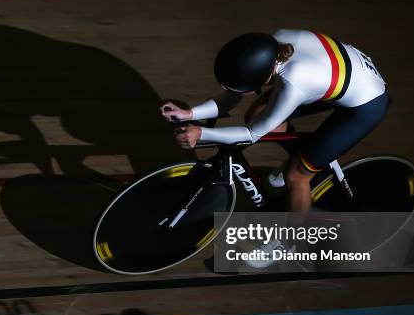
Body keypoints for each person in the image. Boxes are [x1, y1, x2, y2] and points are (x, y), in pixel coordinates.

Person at [160, 29, 388, 215]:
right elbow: (235, 92)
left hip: (366, 104)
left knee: (296, 175)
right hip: (338, 77)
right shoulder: (272, 46)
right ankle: (305, 155)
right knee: (258, 113)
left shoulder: (294, 82)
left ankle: (287, 245)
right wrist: (189, 113)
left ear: (266, 74)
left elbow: (251, 134)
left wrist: (201, 133)